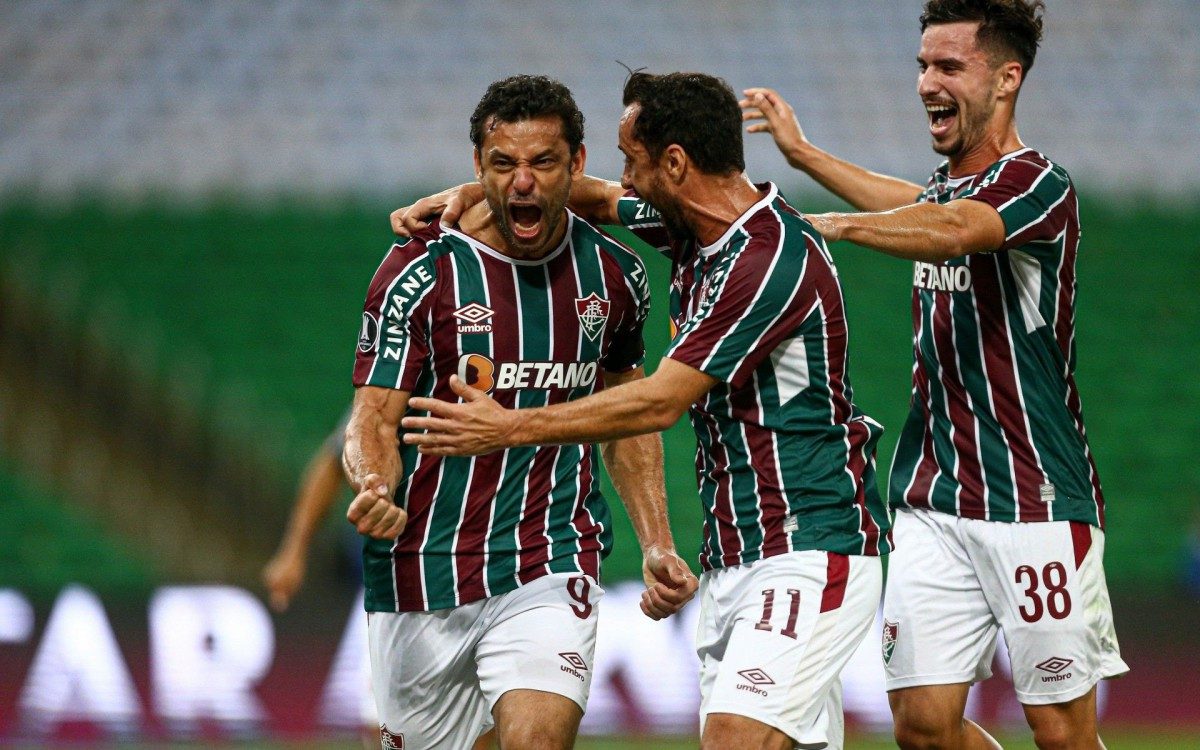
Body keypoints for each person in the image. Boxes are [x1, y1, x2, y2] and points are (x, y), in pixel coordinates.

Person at [394, 71, 891, 750]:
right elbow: (593, 200)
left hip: (808, 543)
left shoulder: (767, 261)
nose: (623, 175)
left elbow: (659, 401)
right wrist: (476, 194)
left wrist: (508, 426)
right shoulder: (695, 229)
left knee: (735, 739)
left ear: (676, 163)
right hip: (738, 553)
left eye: (633, 159)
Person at [740, 1, 1126, 747]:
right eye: (922, 65)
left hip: (1033, 499)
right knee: (920, 725)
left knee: (1061, 731)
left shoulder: (1038, 184)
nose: (926, 82)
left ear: (1007, 78)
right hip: (932, 495)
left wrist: (836, 227)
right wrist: (805, 157)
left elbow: (952, 232)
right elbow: (922, 205)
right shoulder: (947, 189)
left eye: (948, 66)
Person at [345, 74, 697, 750]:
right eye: (503, 164)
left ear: (579, 164)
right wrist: (371, 483)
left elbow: (625, 416)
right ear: (478, 167)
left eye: (543, 162)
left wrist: (656, 540)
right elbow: (373, 418)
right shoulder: (419, 273)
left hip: (550, 556)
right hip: (424, 567)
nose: (523, 182)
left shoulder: (616, 276)